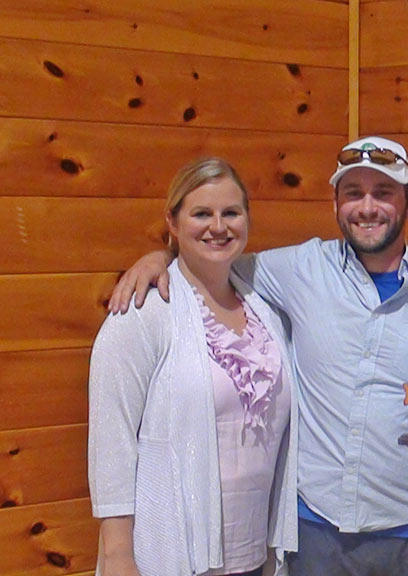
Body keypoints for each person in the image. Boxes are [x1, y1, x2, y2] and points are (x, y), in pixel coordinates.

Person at [106, 138, 408, 576]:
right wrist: (160, 257)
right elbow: (212, 258)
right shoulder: (298, 268)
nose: (367, 207)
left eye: (383, 193)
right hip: (317, 530)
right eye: (353, 193)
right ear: (335, 203)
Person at [89, 157, 298, 576]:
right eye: (201, 213)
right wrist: (117, 555)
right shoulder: (144, 312)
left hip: (252, 552)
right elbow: (112, 438)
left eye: (231, 213)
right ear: (172, 220)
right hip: (169, 555)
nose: (218, 227)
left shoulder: (266, 310)